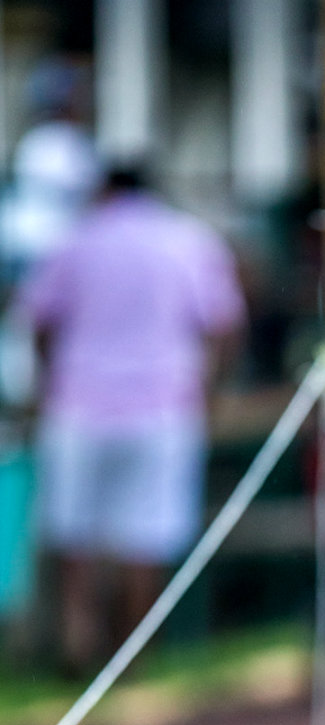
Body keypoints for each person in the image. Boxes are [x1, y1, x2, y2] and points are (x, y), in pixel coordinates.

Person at [10, 162, 245, 677]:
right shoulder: (188, 240)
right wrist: (208, 389)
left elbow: (39, 322)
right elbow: (224, 325)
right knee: (146, 536)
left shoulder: (74, 240)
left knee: (75, 538)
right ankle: (132, 655)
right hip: (163, 407)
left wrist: (49, 383)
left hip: (77, 406)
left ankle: (78, 643)